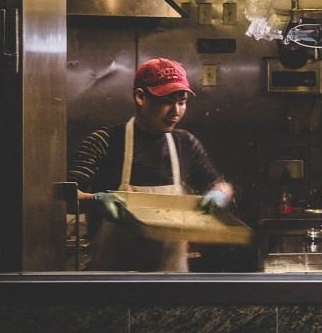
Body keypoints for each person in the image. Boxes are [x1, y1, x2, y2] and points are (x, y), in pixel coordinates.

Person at [69, 58, 234, 271]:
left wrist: (218, 196)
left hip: (170, 280)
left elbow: (218, 183)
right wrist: (96, 200)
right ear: (140, 97)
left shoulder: (185, 143)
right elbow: (65, 196)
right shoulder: (105, 141)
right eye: (167, 101)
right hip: (112, 281)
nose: (175, 111)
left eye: (182, 102)